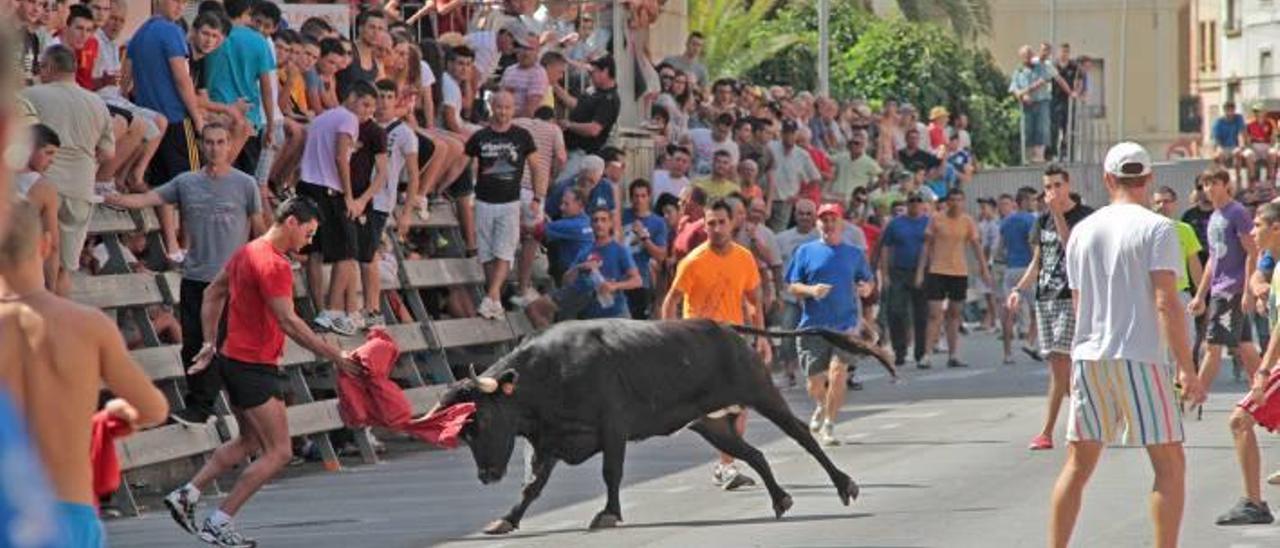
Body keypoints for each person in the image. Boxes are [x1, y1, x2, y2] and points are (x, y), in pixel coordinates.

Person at [164, 197, 360, 547]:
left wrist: (211, 341)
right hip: (253, 366)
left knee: (249, 440)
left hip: (232, 360)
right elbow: (289, 321)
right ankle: (218, 522)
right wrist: (336, 355)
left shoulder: (248, 250)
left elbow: (212, 293)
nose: (309, 241)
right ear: (291, 223)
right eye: (309, 232)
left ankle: (188, 493)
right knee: (279, 452)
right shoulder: (274, 264)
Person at [1049, 142, 1205, 548]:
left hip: (1089, 354)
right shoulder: (1157, 228)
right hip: (1140, 354)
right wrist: (1187, 368)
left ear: (1107, 179)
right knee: (1169, 463)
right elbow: (1166, 301)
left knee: (1078, 464)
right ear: (1148, 179)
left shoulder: (1082, 230)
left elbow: (1080, 300)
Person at [0, 200, 171, 548]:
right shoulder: (87, 326)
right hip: (68, 512)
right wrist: (112, 415)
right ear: (46, 245)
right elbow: (153, 409)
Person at [103, 123, 264, 425]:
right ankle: (199, 408)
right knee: (193, 344)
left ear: (229, 145)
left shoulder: (245, 184)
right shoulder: (186, 182)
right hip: (195, 279)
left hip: (231, 281)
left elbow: (260, 230)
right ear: (201, 145)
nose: (215, 148)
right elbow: (149, 199)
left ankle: (223, 408)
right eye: (209, 142)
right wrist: (116, 199)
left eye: (220, 142)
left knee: (221, 345)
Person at [661, 198, 771, 490]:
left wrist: (762, 339)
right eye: (711, 223)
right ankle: (726, 464)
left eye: (722, 222)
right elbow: (670, 301)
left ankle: (725, 465)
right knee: (720, 407)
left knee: (739, 408)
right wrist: (672, 340)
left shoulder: (744, 257)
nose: (717, 228)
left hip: (734, 341)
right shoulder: (693, 261)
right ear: (704, 225)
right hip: (701, 344)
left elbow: (755, 301)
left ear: (732, 222)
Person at [1009, 164, 1093, 450]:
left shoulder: (1085, 217)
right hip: (1046, 297)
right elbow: (1038, 261)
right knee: (1059, 368)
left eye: (1058, 185)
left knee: (1060, 361)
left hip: (1073, 295)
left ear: (1068, 185)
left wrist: (1058, 214)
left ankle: (1049, 430)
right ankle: (1093, 417)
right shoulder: (1041, 221)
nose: (1053, 192)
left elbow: (1073, 249)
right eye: (1048, 187)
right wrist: (1019, 289)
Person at [21, 44, 114, 296]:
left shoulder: (32, 95)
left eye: (42, 68)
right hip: (80, 191)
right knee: (63, 269)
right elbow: (108, 152)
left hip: (40, 188)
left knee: (32, 263)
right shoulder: (97, 103)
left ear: (50, 67)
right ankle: (58, 325)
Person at [786, 202, 874, 446]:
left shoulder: (854, 253)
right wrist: (811, 290)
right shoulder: (805, 251)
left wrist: (866, 288)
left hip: (845, 326)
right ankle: (820, 405)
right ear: (817, 223)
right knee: (814, 382)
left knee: (838, 373)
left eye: (833, 219)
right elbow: (792, 286)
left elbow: (868, 282)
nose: (828, 224)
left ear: (841, 223)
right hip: (813, 325)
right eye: (823, 219)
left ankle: (829, 425)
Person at [298, 81, 379, 336]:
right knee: (347, 252)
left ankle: (320, 310)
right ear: (351, 96)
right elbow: (340, 157)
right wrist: (348, 194)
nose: (367, 112)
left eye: (372, 108)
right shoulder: (348, 119)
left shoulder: (323, 117)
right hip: (329, 190)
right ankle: (332, 310)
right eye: (365, 104)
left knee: (315, 252)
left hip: (307, 186)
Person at [465, 90, 543, 320]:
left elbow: (537, 167)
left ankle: (490, 297)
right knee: (487, 254)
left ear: (513, 109)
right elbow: (467, 163)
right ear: (492, 107)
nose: (503, 112)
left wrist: (538, 197)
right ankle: (495, 300)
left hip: (510, 202)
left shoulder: (522, 136)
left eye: (508, 108)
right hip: (483, 201)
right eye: (499, 107)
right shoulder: (480, 136)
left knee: (505, 251)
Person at [1189, 168, 1263, 396]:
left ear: (1225, 184)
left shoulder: (1237, 213)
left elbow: (1252, 251)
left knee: (1212, 346)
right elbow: (1213, 258)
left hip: (1233, 289)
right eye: (1205, 185)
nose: (1208, 189)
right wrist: (1201, 295)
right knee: (1245, 346)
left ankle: (1195, 395)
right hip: (1219, 289)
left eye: (1213, 183)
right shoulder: (1215, 216)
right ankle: (1266, 394)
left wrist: (1248, 291)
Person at [526, 206, 641, 327]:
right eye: (595, 220)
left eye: (603, 220)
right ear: (591, 225)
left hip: (616, 314)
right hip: (589, 317)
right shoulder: (585, 251)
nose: (599, 224)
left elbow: (637, 280)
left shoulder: (619, 250)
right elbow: (566, 280)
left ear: (610, 224)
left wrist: (614, 286)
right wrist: (580, 267)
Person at [916, 188, 991, 369]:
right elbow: (926, 246)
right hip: (937, 270)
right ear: (947, 202)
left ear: (963, 202)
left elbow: (976, 245)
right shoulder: (936, 219)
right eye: (952, 200)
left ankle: (953, 354)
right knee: (934, 314)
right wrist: (920, 272)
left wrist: (983, 268)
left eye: (959, 200)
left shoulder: (967, 221)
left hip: (959, 272)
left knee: (954, 314)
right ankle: (926, 354)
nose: (956, 203)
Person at [201, 0, 275, 175]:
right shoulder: (259, 41)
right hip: (248, 119)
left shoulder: (215, 36)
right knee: (241, 178)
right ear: (248, 11)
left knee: (212, 169)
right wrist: (270, 125)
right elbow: (266, 88)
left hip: (213, 114)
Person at [880, 192, 931, 368]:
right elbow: (886, 248)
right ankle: (899, 350)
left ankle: (921, 352)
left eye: (918, 200)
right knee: (895, 311)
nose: (915, 204)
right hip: (899, 272)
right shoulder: (895, 224)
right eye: (912, 201)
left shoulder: (928, 222)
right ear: (907, 204)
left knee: (921, 314)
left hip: (923, 271)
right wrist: (884, 274)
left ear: (923, 204)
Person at [16, 123, 62, 292]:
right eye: (48, 152)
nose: (52, 160)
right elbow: (53, 245)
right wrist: (51, 289)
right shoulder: (43, 188)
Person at [994, 191, 1037, 364]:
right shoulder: (1031, 220)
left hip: (1010, 269)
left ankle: (1007, 353)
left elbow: (1000, 248)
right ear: (1024, 201)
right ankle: (1030, 342)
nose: (1034, 203)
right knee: (1037, 310)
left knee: (1009, 313)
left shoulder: (1006, 221)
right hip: (1027, 268)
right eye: (1032, 199)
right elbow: (1032, 243)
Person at [622, 179, 669, 319]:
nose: (639, 200)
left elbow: (661, 256)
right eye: (636, 196)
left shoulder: (658, 222)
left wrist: (644, 237)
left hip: (641, 279)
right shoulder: (622, 215)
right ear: (630, 198)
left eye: (643, 196)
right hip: (619, 277)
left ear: (649, 197)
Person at [767, 119, 821, 232]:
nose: (789, 136)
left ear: (796, 134)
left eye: (792, 133)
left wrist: (800, 196)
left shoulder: (802, 155)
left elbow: (816, 178)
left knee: (777, 233)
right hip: (766, 197)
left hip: (785, 201)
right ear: (781, 134)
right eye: (786, 133)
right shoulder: (771, 147)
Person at [1009, 45, 1054, 163]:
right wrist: (1022, 95)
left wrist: (1025, 91)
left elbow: (1041, 82)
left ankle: (1040, 157)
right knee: (1027, 129)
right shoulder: (1018, 71)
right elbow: (1014, 88)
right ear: (1021, 57)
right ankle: (1027, 157)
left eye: (1030, 54)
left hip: (1041, 102)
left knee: (1042, 128)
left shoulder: (1041, 67)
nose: (1028, 57)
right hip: (1026, 105)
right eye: (1025, 55)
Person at [1212, 102, 1247, 177]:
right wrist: (1219, 148)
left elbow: (1240, 133)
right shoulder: (1218, 122)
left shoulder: (1239, 118)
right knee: (1219, 155)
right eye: (1228, 110)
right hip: (1223, 146)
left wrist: (1241, 145)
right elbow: (1217, 139)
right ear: (1224, 111)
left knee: (1238, 153)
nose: (1230, 113)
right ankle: (1224, 177)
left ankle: (1238, 176)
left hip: (1235, 146)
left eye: (1232, 110)